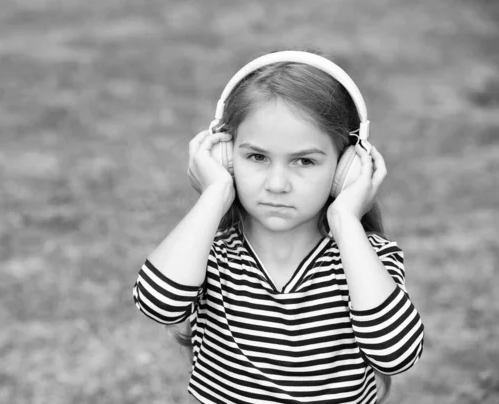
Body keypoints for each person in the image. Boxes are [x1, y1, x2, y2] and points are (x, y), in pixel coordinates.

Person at [133, 50, 425, 404]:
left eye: (304, 161)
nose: (277, 184)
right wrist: (215, 193)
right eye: (257, 157)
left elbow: (396, 355)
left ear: (346, 168)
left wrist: (346, 221)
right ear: (226, 157)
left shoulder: (367, 258)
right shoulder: (209, 253)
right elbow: (157, 304)